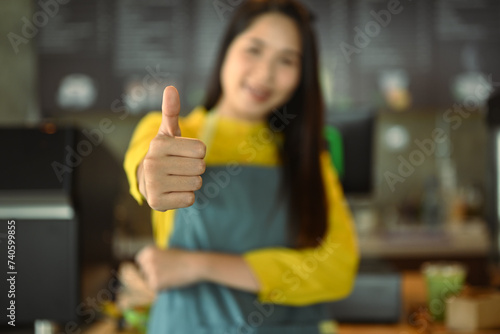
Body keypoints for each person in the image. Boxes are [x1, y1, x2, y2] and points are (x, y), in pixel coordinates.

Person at [123, 0, 359, 332]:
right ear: (226, 49)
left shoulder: (307, 158)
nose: (265, 75)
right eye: (254, 50)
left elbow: (338, 268)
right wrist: (151, 178)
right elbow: (146, 167)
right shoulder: (174, 135)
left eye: (287, 60)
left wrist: (198, 265)